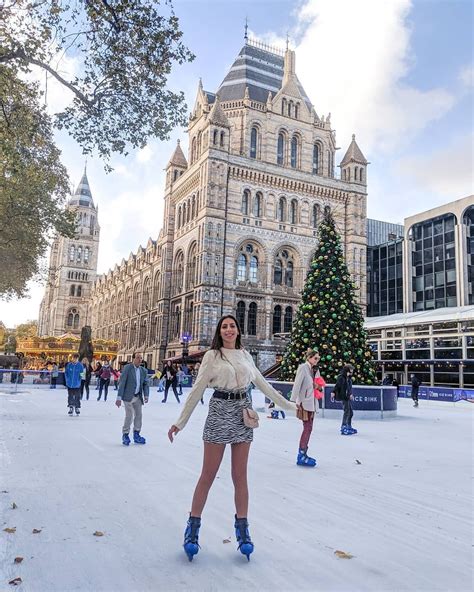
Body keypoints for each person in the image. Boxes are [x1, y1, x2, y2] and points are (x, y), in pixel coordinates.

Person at [167, 314, 294, 562]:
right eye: (224, 326)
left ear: (238, 330)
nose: (228, 330)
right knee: (208, 475)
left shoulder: (245, 355)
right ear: (219, 331)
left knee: (240, 476)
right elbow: (197, 389)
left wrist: (289, 406)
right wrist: (179, 422)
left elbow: (263, 385)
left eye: (232, 326)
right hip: (219, 411)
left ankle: (243, 531)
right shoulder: (212, 356)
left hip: (243, 412)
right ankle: (192, 529)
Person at [290, 349, 321, 467]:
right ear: (309, 358)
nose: (317, 360)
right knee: (307, 427)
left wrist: (318, 386)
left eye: (318, 358)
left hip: (312, 403)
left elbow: (319, 385)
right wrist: (294, 401)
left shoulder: (315, 370)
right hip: (305, 402)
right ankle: (301, 454)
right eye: (315, 358)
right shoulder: (303, 368)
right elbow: (297, 384)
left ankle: (303, 453)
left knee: (309, 428)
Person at [115, 353, 149, 446]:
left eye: (141, 358)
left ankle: (137, 434)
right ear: (133, 359)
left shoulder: (143, 370)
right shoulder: (127, 368)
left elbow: (146, 383)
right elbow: (122, 382)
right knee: (129, 415)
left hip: (138, 396)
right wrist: (119, 397)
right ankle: (125, 434)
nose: (139, 359)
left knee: (139, 415)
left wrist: (146, 395)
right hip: (128, 396)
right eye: (138, 358)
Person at [331, 364, 357, 435]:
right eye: (351, 370)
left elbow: (349, 388)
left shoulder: (348, 378)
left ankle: (348, 426)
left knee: (350, 412)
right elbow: (337, 385)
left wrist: (350, 394)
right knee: (347, 411)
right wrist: (333, 392)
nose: (352, 372)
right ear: (347, 370)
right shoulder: (341, 377)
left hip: (347, 397)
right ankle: (344, 426)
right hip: (343, 397)